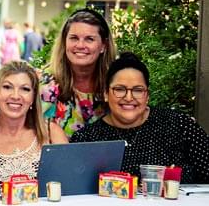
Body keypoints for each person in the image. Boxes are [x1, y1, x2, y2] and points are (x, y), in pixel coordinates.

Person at [71, 53, 209, 182]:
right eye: (120, 89)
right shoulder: (86, 140)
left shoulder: (179, 125)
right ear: (106, 94)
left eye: (138, 90)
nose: (129, 98)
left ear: (147, 96)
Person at [0, 61, 67, 190]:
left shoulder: (51, 134)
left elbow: (69, 190)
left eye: (25, 89)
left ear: (33, 98)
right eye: (7, 87)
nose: (15, 96)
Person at [41, 8, 117, 137]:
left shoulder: (114, 84)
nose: (80, 45)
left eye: (89, 39)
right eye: (74, 38)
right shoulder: (44, 83)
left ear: (103, 46)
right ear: (65, 42)